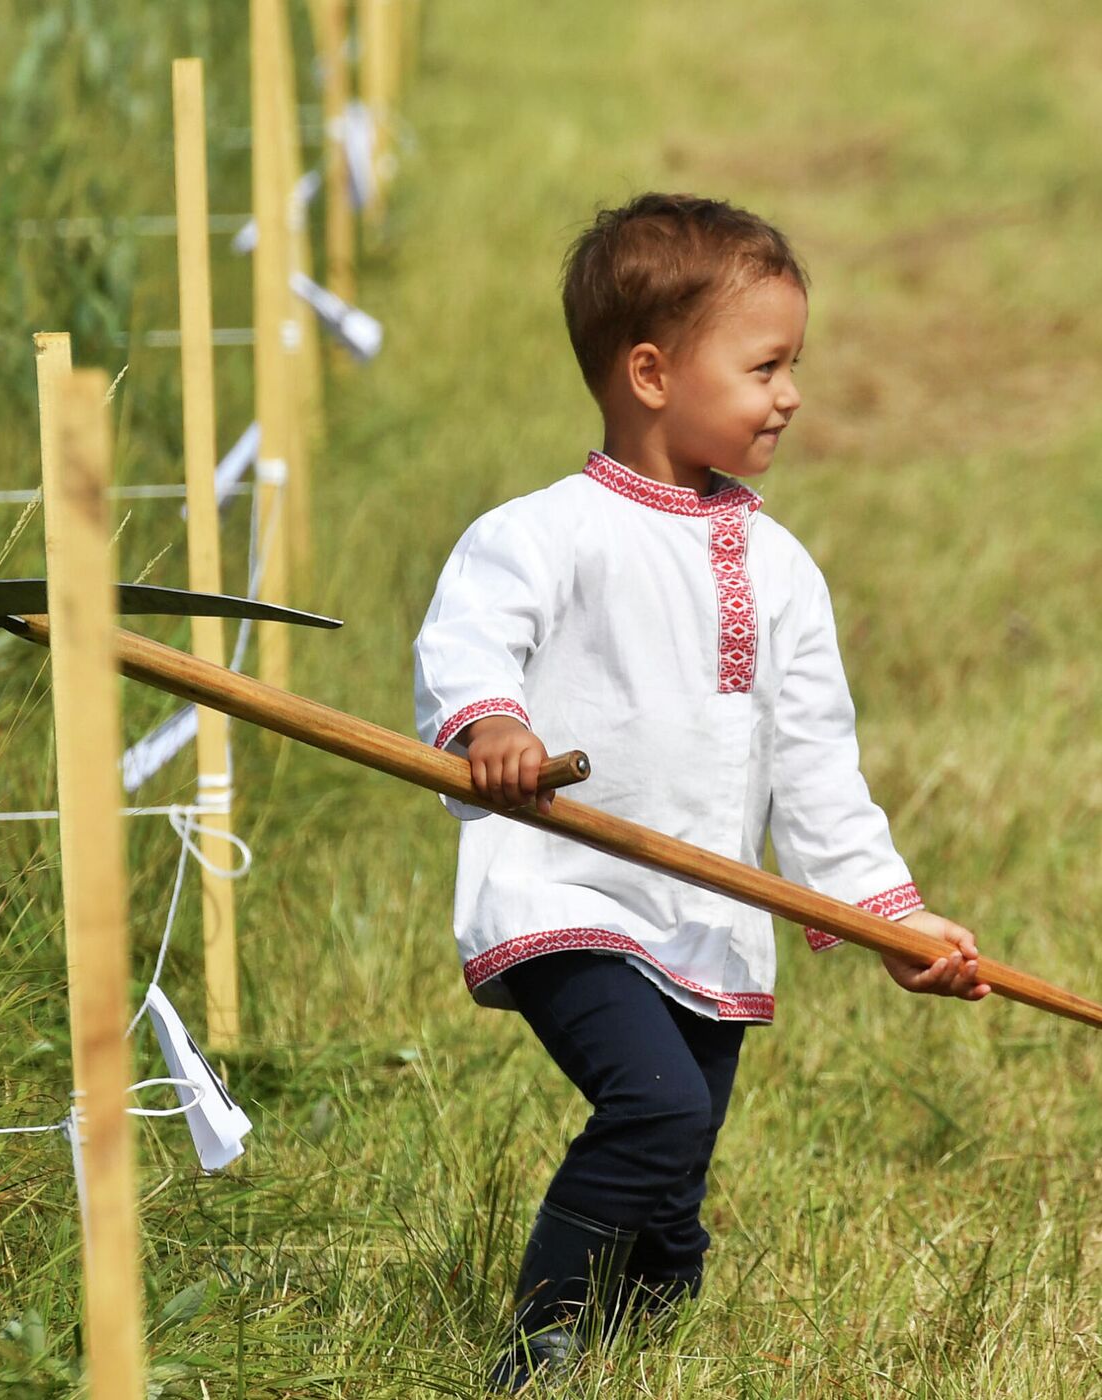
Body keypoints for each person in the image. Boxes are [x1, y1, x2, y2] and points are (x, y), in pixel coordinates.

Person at [412, 193, 991, 1392]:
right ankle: (541, 1342)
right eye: (765, 364)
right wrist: (497, 727)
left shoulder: (779, 569)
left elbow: (815, 763)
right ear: (650, 372)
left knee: (673, 1166)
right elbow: (465, 648)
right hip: (566, 889)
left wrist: (884, 913)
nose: (789, 393)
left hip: (707, 917)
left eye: (794, 364)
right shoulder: (541, 533)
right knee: (658, 1108)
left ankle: (655, 1310)